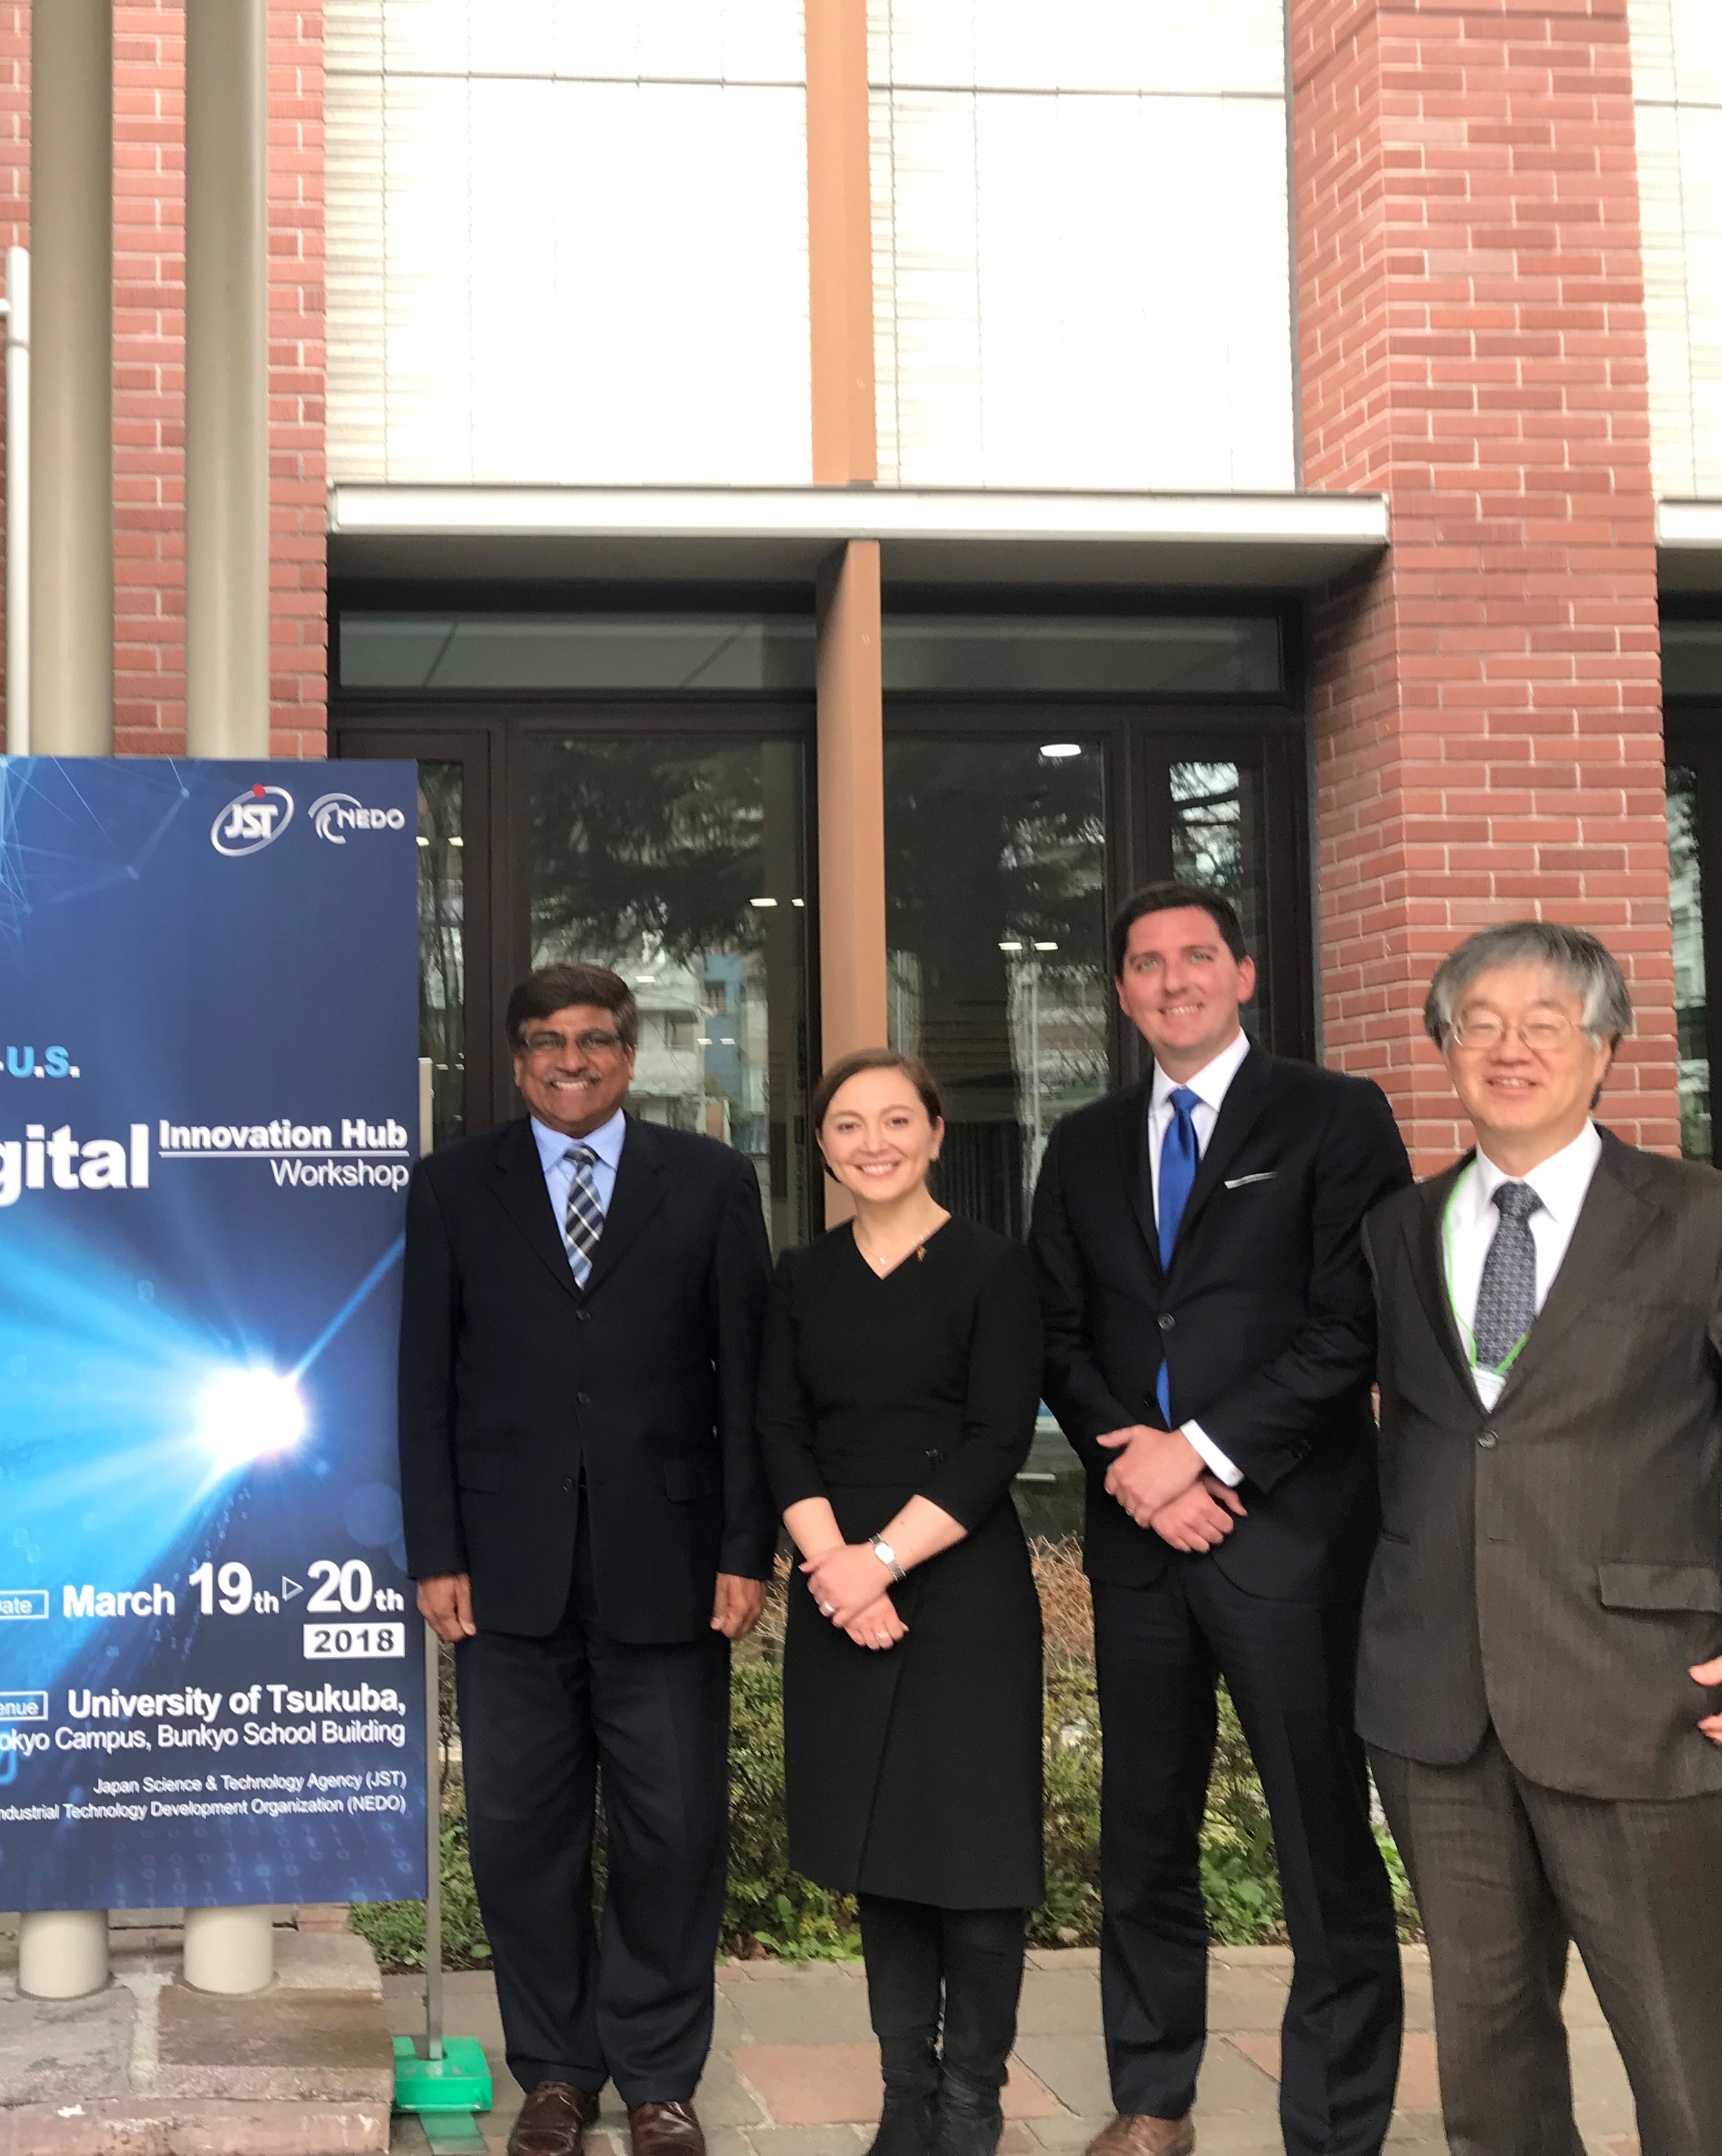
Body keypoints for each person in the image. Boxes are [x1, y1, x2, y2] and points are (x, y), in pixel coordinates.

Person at [1359, 920, 1722, 2156]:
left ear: (1606, 1050)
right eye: (1479, 1022)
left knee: (1685, 2065)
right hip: (1436, 1702)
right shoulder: (1399, 1229)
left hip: (1639, 1698)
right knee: (1489, 2070)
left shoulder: (1712, 1222)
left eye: (1547, 1023)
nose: (1510, 1047)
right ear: (1444, 1049)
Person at [1028, 881, 1409, 2156]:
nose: (1173, 979)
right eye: (1146, 964)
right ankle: (1152, 2100)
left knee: (1320, 1847)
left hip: (1290, 1541)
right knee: (1142, 1839)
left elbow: (1352, 1323)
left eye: (1199, 957)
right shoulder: (1080, 1142)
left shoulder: (1335, 1116)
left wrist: (1198, 1456)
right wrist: (1135, 1465)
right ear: (1124, 992)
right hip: (1141, 1553)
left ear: (1246, 975)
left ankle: (1335, 2125)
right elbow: (1060, 1333)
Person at [399, 960, 772, 2156]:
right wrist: (435, 1547)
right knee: (522, 1832)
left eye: (598, 1040)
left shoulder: (710, 1183)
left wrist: (744, 1546)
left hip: (670, 1565)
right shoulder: (454, 1188)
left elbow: (747, 1381)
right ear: (516, 1062)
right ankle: (557, 2072)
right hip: (505, 1574)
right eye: (549, 1042)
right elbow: (424, 1387)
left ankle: (661, 2077)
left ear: (630, 1054)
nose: (574, 1059)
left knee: (673, 1831)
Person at [759, 1050, 1042, 2156]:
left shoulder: (993, 1269)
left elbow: (996, 1440)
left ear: (934, 1133)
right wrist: (835, 1568)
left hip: (958, 1583)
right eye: (846, 1125)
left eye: (894, 1121)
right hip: (840, 1585)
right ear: (822, 1147)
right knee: (880, 1853)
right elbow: (780, 1431)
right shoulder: (800, 1277)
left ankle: (971, 2100)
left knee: (974, 1860)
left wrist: (879, 1561)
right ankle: (903, 2100)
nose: (871, 1141)